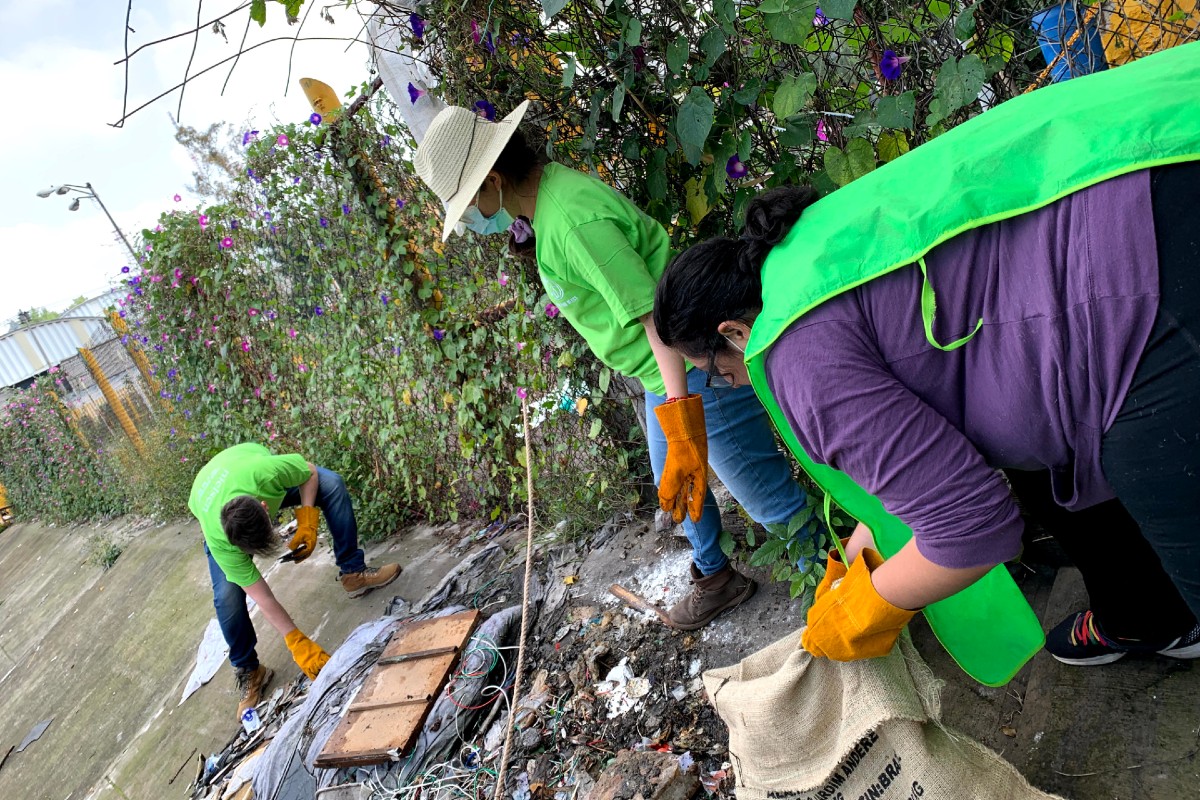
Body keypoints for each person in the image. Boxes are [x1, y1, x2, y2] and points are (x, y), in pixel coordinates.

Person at [652, 43, 1200, 667]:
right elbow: (911, 452)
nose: (732, 381)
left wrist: (866, 610)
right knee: (1041, 468)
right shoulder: (800, 248)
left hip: (1141, 298)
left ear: (732, 333)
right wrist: (868, 549)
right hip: (1144, 154)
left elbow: (972, 530)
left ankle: (1166, 614)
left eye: (719, 375)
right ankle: (1142, 618)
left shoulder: (791, 354)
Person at [411, 101, 817, 631]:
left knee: (766, 497)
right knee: (674, 483)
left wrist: (683, 414)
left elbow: (657, 320)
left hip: (695, 367)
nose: (469, 219)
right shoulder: (547, 209)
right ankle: (717, 578)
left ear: (492, 179)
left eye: (465, 206)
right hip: (660, 373)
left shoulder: (573, 222)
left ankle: (841, 583)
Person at [188, 443, 402, 719]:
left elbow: (309, 473)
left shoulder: (266, 473)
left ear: (267, 507)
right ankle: (250, 670)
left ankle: (353, 572)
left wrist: (308, 521)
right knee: (227, 599)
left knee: (332, 483)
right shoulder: (222, 542)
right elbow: (262, 598)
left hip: (240, 466)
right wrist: (296, 641)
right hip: (208, 500)